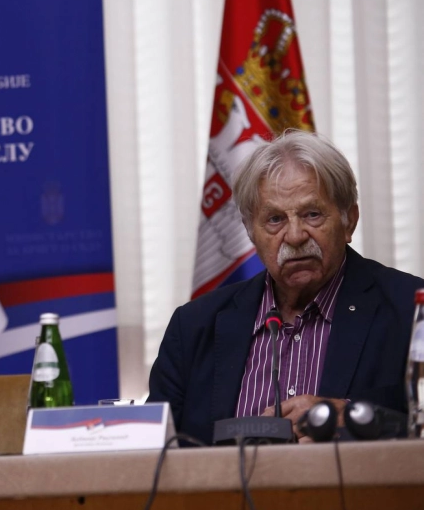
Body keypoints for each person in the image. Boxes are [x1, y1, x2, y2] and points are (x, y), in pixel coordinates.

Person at [149, 130, 424, 444]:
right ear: (250, 232)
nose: (295, 236)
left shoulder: (412, 312)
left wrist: (355, 419)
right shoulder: (193, 327)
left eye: (312, 214)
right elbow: (152, 450)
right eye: (275, 219)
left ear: (349, 220)